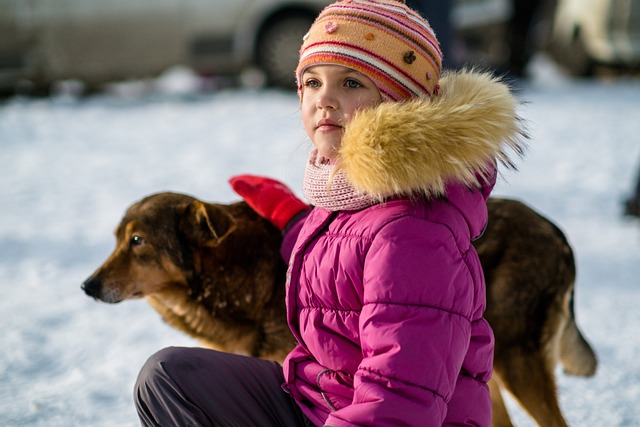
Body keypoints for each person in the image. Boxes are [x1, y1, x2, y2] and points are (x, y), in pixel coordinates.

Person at [134, 0, 527, 425]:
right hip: (320, 400)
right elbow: (354, 255)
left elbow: (396, 403)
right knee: (170, 378)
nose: (325, 99)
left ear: (400, 104)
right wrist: (292, 220)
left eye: (352, 82)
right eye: (312, 81)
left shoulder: (415, 234)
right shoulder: (354, 192)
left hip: (381, 417)